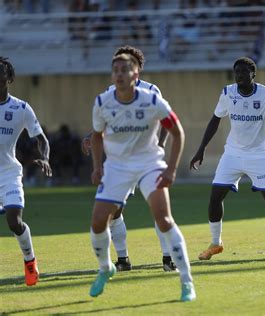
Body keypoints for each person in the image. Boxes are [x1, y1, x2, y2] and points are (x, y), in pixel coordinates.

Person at [88, 53, 195, 301]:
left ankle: (186, 281)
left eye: (125, 70)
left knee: (164, 219)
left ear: (136, 74)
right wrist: (97, 166)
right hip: (116, 167)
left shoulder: (152, 100)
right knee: (97, 222)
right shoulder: (102, 102)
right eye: (115, 70)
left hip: (149, 164)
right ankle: (106, 268)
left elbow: (177, 132)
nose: (119, 74)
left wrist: (170, 169)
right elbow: (96, 135)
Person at [190, 56, 265, 261]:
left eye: (243, 72)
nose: (239, 75)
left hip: (259, 155)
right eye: (236, 72)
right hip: (232, 155)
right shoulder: (228, 93)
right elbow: (215, 120)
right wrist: (201, 148)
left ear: (253, 74)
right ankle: (215, 243)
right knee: (214, 198)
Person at [82, 45, 176, 273]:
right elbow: (106, 124)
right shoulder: (110, 92)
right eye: (118, 66)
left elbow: (166, 122)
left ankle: (168, 258)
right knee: (114, 213)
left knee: (159, 211)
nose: (122, 72)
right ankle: (122, 259)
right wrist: (90, 137)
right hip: (120, 162)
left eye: (127, 65)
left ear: (137, 68)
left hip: (147, 160)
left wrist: (161, 144)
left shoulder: (152, 91)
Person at [0, 56, 52, 286]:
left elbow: (41, 138)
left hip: (9, 172)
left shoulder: (20, 108)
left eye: (0, 72)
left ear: (8, 78)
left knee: (14, 221)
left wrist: (44, 157)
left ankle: (30, 262)